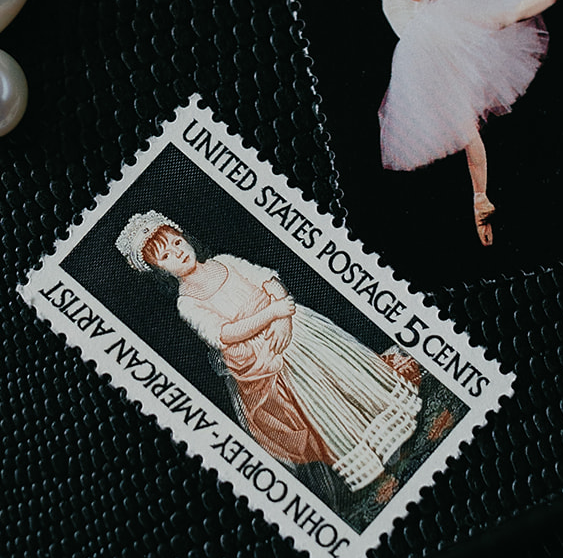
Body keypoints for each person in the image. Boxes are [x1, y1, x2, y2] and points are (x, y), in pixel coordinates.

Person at [116, 211, 421, 492]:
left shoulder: (224, 261)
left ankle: (392, 429)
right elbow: (223, 335)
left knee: (341, 373)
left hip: (296, 330)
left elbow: (268, 280)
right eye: (166, 256)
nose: (179, 253)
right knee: (318, 398)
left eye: (177, 242)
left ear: (185, 237)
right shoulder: (187, 302)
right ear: (160, 270)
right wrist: (271, 315)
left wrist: (284, 318)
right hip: (263, 355)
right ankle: (368, 456)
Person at [378, 0, 563, 246]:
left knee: (505, 16)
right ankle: (480, 199)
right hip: (425, 48)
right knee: (468, 131)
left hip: (427, 40)